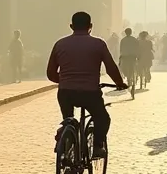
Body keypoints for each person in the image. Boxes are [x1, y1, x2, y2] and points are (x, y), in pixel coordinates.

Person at [47, 12, 126, 158]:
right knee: (102, 118)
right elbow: (111, 68)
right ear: (90, 26)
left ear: (71, 26)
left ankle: (66, 137)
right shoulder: (98, 44)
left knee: (67, 118)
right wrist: (120, 83)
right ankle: (97, 146)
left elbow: (51, 73)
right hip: (90, 93)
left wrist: (66, 79)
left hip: (66, 93)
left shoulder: (60, 44)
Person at [117, 28, 139, 99]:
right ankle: (132, 78)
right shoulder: (135, 40)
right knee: (133, 69)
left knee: (124, 70)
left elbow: (121, 50)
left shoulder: (123, 40)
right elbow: (137, 48)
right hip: (132, 57)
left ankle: (130, 78)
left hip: (125, 57)